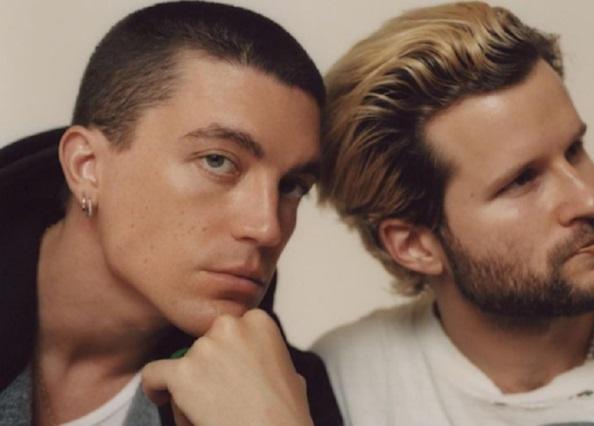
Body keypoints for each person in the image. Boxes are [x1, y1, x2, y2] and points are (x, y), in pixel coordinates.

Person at [0, 2, 342, 425]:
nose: (267, 228)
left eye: (291, 186)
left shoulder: (291, 396)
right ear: (86, 167)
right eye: (217, 161)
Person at [312, 1, 594, 425]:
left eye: (574, 150)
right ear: (414, 245)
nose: (589, 199)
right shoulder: (344, 382)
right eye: (522, 180)